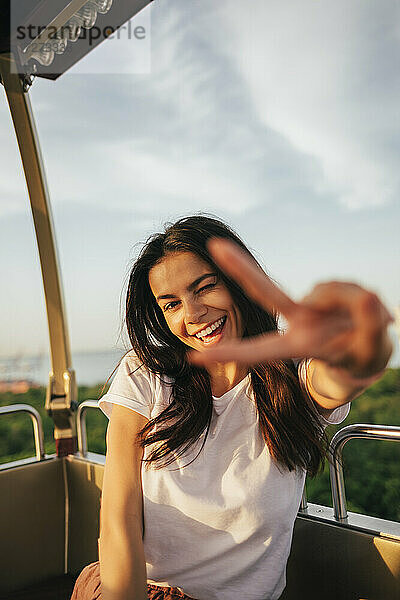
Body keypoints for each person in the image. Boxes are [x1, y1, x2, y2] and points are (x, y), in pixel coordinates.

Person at [70, 215, 393, 600]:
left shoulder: (293, 377)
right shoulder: (147, 374)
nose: (192, 315)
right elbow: (119, 515)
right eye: (171, 305)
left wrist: (358, 336)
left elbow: (344, 374)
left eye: (205, 287)